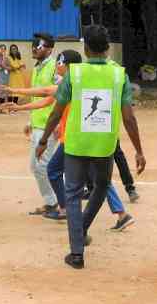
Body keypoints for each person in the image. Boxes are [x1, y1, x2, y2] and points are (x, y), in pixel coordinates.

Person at [37, 25, 146, 269]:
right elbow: (129, 117)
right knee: (101, 187)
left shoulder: (74, 74)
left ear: (85, 48)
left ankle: (77, 252)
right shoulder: (120, 75)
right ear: (108, 49)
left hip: (76, 142)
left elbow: (56, 111)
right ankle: (82, 228)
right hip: (104, 145)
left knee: (73, 194)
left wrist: (44, 140)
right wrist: (138, 150)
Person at [6, 50, 137, 230]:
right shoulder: (70, 81)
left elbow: (45, 92)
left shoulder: (74, 80)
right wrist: (20, 108)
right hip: (75, 137)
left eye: (60, 62)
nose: (57, 66)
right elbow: (45, 101)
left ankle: (68, 208)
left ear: (67, 65)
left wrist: (15, 90)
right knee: (96, 177)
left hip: (77, 139)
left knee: (57, 170)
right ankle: (118, 214)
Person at [19, 33, 59, 216]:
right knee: (35, 166)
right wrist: (30, 120)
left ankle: (59, 203)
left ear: (49, 49)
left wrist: (58, 122)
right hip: (38, 124)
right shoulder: (36, 68)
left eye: (39, 46)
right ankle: (51, 202)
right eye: (33, 45)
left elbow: (60, 96)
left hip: (50, 126)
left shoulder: (55, 68)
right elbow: (38, 96)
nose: (34, 49)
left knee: (45, 166)